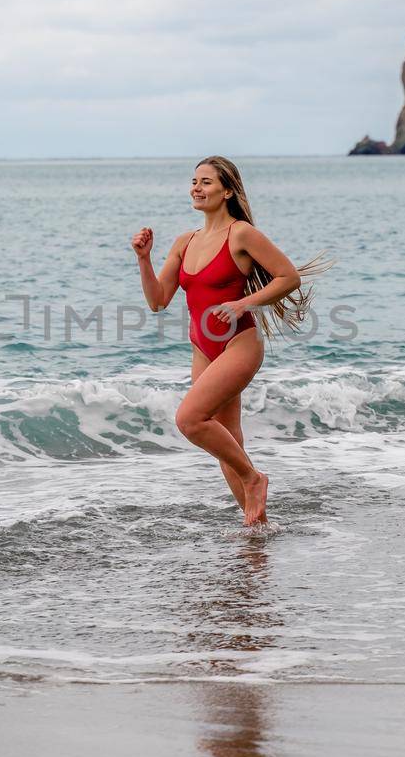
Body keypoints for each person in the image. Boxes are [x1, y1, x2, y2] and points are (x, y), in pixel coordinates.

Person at [131, 156, 332, 527]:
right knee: (227, 439)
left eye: (206, 182)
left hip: (239, 343)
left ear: (227, 191)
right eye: (194, 181)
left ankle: (254, 479)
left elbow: (288, 277)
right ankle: (257, 528)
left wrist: (243, 303)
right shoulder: (183, 243)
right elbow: (158, 300)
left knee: (190, 419)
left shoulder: (241, 234)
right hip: (202, 349)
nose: (196, 187)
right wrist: (144, 259)